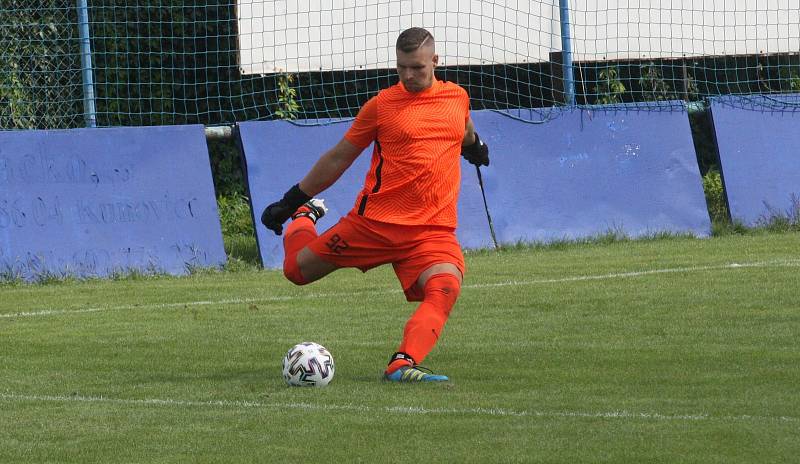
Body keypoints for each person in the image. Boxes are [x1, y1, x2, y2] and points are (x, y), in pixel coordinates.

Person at [260, 27, 490, 382]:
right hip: (374, 226)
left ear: (435, 62)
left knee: (445, 287)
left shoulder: (457, 97)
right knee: (296, 272)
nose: (409, 76)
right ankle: (305, 219)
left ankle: (402, 364)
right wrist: (292, 201)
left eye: (417, 68)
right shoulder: (382, 106)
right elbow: (339, 158)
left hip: (431, 231)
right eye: (402, 68)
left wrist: (474, 146)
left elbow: (464, 126)